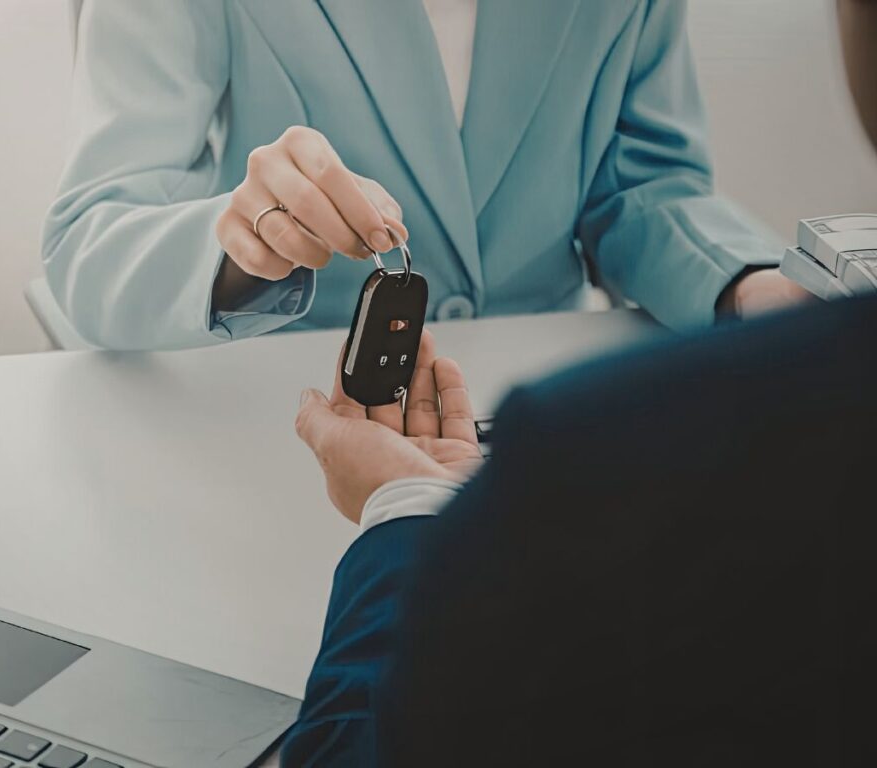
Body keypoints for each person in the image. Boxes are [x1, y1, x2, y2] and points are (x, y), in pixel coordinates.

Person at [282, 1, 877, 763]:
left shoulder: (582, 450)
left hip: (484, 487)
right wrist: (752, 289)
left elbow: (644, 179)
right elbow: (89, 234)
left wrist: (403, 513)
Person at [42, 1, 808, 351]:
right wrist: (244, 247)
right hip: (298, 415)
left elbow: (641, 189)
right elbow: (92, 240)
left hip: (542, 414)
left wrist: (747, 285)